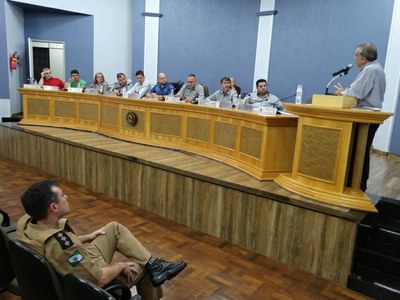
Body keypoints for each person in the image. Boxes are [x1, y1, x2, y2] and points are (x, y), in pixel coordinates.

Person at [17, 179, 187, 300]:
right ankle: (152, 269)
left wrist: (87, 237)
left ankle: (155, 264)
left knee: (113, 228)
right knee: (142, 269)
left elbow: (59, 247)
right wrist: (120, 265)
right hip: (88, 284)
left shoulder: (28, 222)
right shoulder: (62, 245)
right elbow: (99, 279)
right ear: (53, 207)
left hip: (79, 262)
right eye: (62, 195)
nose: (67, 197)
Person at [334, 42, 386, 192]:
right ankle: (358, 184)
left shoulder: (369, 70)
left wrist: (342, 92)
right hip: (370, 115)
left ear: (363, 58)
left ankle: (356, 184)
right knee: (362, 151)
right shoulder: (378, 68)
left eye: (356, 55)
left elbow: (357, 92)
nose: (354, 57)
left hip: (365, 116)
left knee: (359, 151)